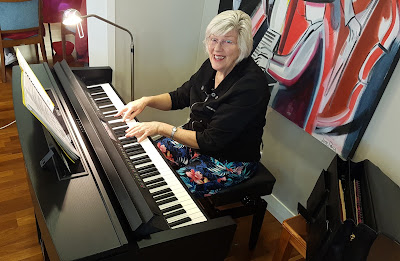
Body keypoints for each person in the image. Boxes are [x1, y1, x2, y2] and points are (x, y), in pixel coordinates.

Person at [115, 10, 271, 198]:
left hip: (230, 160)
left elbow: (211, 141)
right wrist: (146, 101)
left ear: (243, 46)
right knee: (144, 160)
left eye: (228, 41)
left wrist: (160, 127)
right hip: (197, 141)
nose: (217, 49)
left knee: (166, 190)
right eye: (213, 39)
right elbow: (181, 96)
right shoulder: (212, 66)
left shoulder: (250, 86)